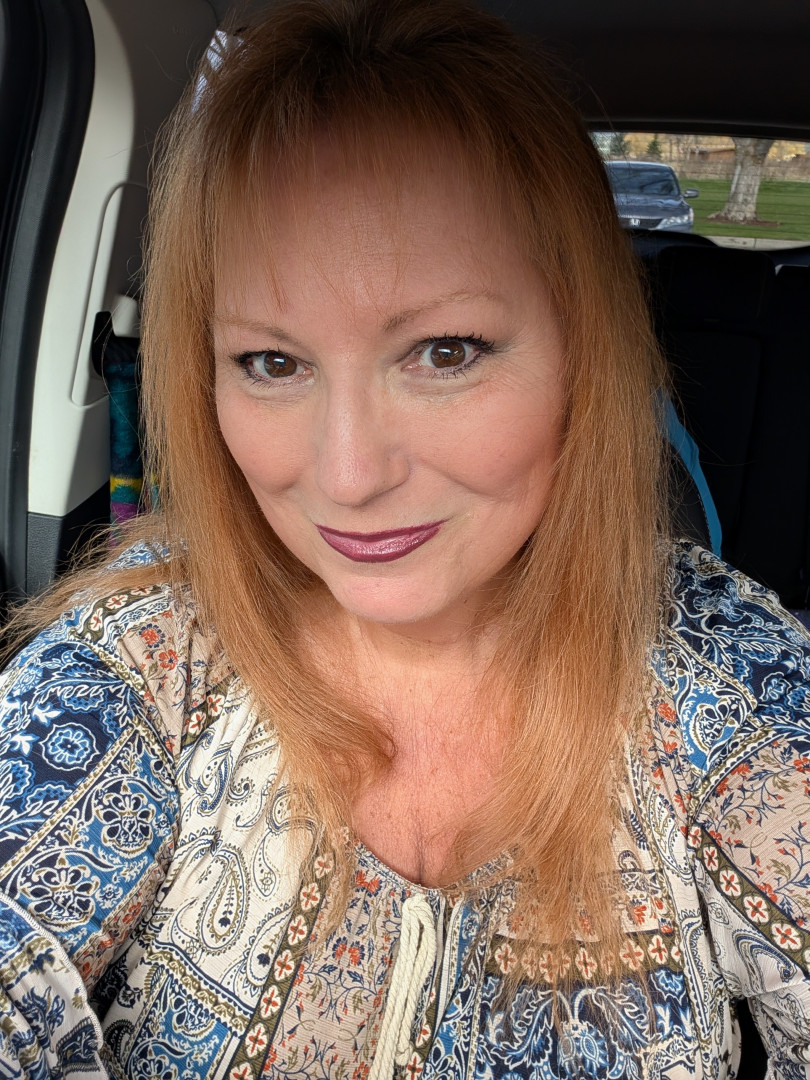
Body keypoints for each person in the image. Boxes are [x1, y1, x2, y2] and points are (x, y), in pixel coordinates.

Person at [1, 0, 809, 1076]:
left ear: (583, 352)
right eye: (272, 363)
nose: (347, 476)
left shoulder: (724, 672)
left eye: (445, 351)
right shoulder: (140, 659)